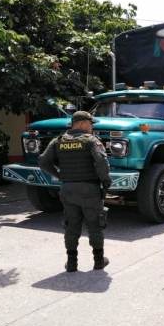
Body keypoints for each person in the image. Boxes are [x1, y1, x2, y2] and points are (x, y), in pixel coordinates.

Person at [38, 111, 112, 272]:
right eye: (91, 123)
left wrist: (59, 175)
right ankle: (99, 261)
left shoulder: (57, 141)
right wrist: (105, 179)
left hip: (68, 190)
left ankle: (71, 263)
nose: (92, 127)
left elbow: (43, 162)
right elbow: (101, 161)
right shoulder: (91, 140)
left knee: (72, 226)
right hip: (89, 190)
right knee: (95, 225)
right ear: (82, 123)